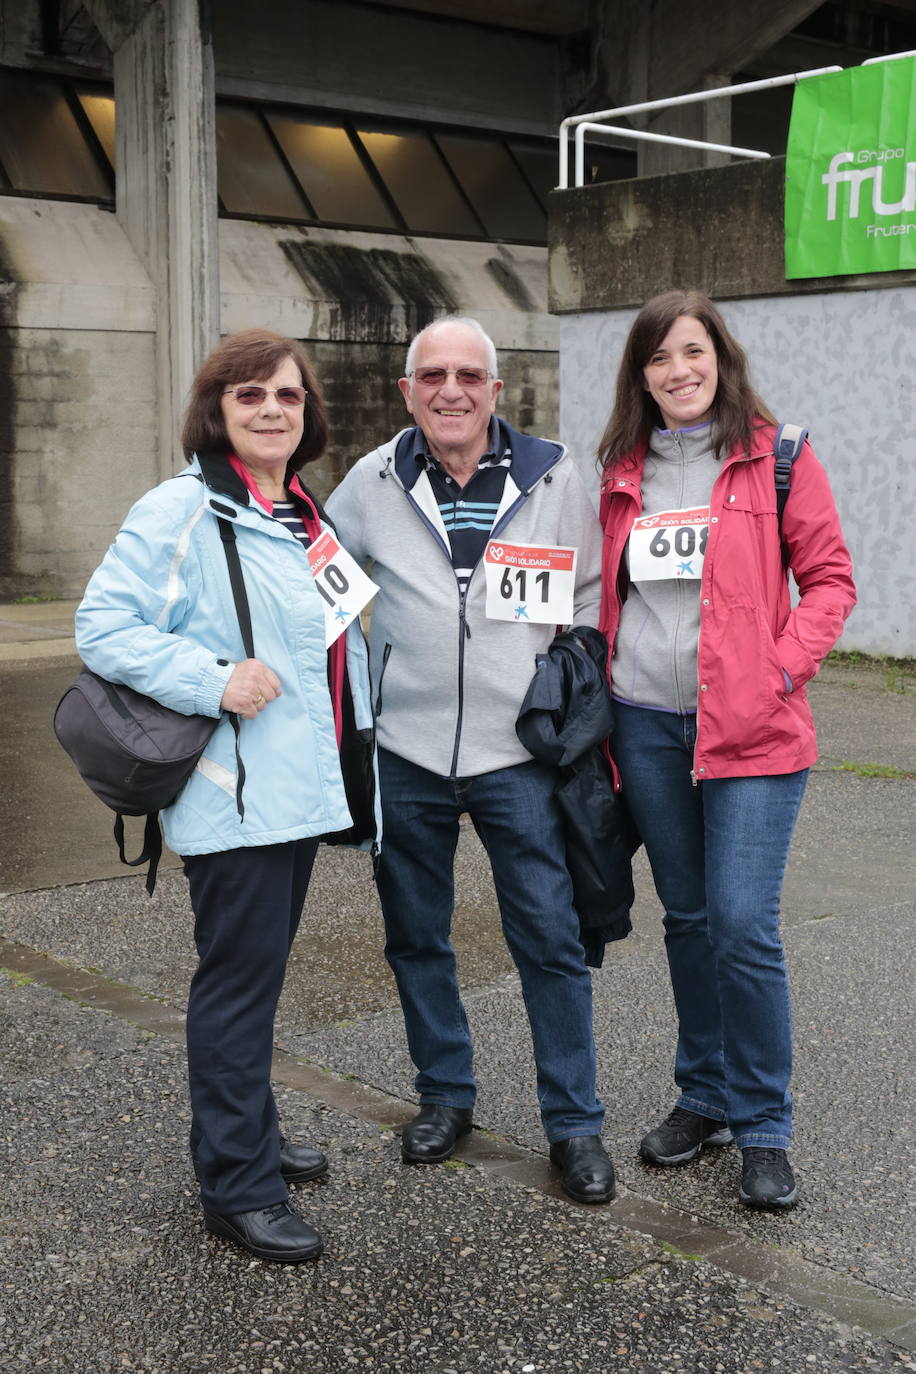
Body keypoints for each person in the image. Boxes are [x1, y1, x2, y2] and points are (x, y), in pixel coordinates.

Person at [75, 329, 378, 1262]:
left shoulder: (298, 509)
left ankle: (251, 1133)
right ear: (218, 412)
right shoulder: (181, 509)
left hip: (297, 784)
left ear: (308, 411)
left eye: (286, 395)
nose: (271, 410)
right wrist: (212, 678)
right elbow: (102, 625)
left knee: (260, 977)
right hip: (235, 790)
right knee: (237, 988)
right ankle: (236, 1187)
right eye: (248, 397)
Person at [326, 316, 615, 1204]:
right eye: (431, 375)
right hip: (407, 752)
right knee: (417, 936)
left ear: (497, 390)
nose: (450, 390)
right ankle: (444, 1095)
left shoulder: (558, 472)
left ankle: (574, 1124)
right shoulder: (373, 479)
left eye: (468, 375)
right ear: (406, 390)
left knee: (549, 939)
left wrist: (566, 674)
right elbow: (317, 581)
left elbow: (595, 590)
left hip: (516, 755)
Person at [596, 289, 856, 1208]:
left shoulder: (777, 455)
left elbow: (828, 580)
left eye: (693, 352)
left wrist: (779, 670)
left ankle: (763, 1124)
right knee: (690, 919)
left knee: (743, 926)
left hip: (753, 730)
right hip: (647, 723)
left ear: (721, 358)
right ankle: (703, 1090)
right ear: (642, 375)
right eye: (660, 358)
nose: (679, 371)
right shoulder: (619, 468)